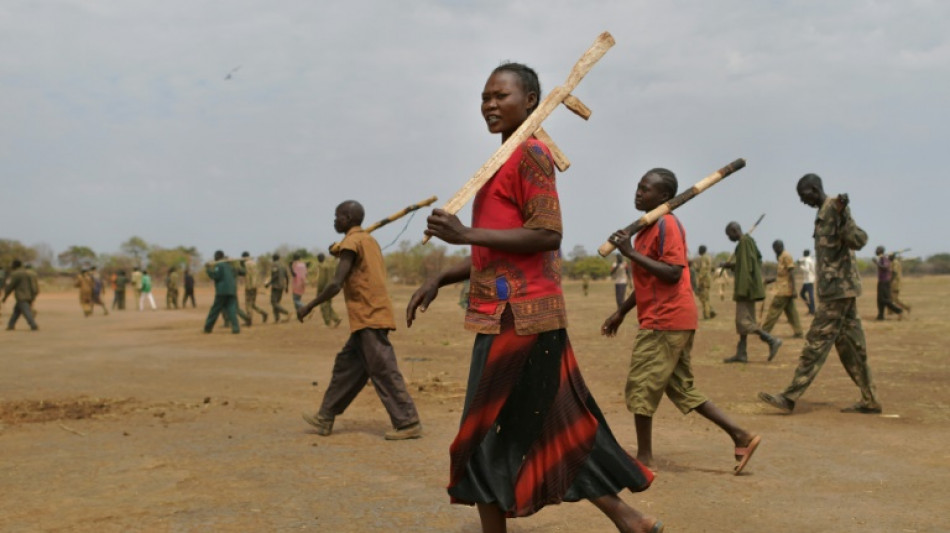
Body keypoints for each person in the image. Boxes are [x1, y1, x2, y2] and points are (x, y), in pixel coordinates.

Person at [406, 63, 661, 533]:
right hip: (505, 318)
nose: (489, 105)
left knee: (482, 436)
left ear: (530, 102)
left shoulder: (530, 156)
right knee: (548, 429)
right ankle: (630, 520)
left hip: (523, 323)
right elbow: (495, 247)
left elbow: (547, 234)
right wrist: (442, 277)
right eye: (484, 97)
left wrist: (463, 234)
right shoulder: (499, 162)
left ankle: (627, 519)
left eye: (500, 96)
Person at [602, 168, 761, 474]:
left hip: (666, 320)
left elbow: (673, 272)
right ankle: (741, 436)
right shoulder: (646, 228)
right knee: (680, 388)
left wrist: (630, 253)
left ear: (663, 197)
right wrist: (621, 312)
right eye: (637, 186)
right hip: (667, 318)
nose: (638, 192)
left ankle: (644, 458)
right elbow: (649, 279)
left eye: (645, 189)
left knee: (641, 385)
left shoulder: (667, 224)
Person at [299, 200, 422, 442]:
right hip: (367, 316)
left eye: (337, 216)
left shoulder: (353, 242)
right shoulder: (366, 240)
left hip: (369, 317)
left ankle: (408, 422)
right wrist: (340, 249)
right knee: (347, 367)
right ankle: (325, 417)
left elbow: (336, 284)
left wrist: (310, 306)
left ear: (347, 217)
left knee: (384, 370)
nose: (334, 221)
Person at [759, 174, 881, 414]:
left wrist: (845, 213)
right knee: (852, 348)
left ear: (814, 189)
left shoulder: (835, 209)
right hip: (836, 291)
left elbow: (858, 240)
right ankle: (870, 400)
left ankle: (790, 396)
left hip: (838, 291)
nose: (802, 202)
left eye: (804, 196)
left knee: (815, 344)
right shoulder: (822, 212)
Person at [720, 222, 782, 363]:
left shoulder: (744, 243)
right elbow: (746, 263)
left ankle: (772, 340)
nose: (729, 238)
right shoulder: (747, 242)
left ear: (734, 230)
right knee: (743, 322)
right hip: (747, 288)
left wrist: (743, 289)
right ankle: (741, 353)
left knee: (744, 321)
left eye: (729, 235)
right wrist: (730, 265)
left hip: (746, 289)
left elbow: (748, 268)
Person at [760, 240, 803, 338]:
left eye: (774, 249)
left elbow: (791, 273)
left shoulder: (786, 256)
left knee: (773, 310)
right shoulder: (781, 257)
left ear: (778, 247)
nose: (774, 251)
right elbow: (782, 274)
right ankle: (799, 332)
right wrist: (770, 280)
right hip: (784, 289)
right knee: (791, 313)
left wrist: (794, 289)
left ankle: (764, 331)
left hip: (784, 290)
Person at [203, 251, 246, 333]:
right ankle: (236, 328)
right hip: (232, 291)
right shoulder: (230, 266)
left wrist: (208, 269)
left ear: (216, 257)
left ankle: (207, 328)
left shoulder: (219, 265)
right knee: (232, 309)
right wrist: (242, 263)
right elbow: (242, 272)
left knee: (215, 310)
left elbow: (215, 276)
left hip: (222, 291)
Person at [3, 260, 39, 331]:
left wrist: (5, 297)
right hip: (28, 295)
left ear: (14, 266)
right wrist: (33, 296)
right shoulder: (26, 273)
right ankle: (11, 325)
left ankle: (33, 325)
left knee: (26, 311)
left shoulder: (15, 274)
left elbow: (10, 286)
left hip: (21, 296)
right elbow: (33, 285)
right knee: (16, 311)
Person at [872, 246, 903, 320]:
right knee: (879, 300)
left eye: (877, 250)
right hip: (881, 281)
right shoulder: (881, 258)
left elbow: (885, 267)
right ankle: (880, 316)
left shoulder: (884, 258)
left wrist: (876, 263)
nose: (875, 251)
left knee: (884, 299)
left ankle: (898, 310)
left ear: (881, 251)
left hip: (885, 281)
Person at [314, 253, 341, 327]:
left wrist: (319, 291)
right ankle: (336, 318)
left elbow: (321, 281)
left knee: (323, 306)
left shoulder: (322, 267)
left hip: (324, 289)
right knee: (328, 305)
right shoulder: (331, 266)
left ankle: (327, 322)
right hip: (331, 287)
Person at [241, 252, 269, 323]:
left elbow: (243, 272)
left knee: (248, 304)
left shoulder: (245, 264)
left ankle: (249, 319)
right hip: (255, 285)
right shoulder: (254, 263)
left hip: (249, 285)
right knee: (252, 304)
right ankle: (264, 313)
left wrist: (241, 263)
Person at [265, 253, 291, 323]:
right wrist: (287, 286)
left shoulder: (274, 265)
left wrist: (268, 283)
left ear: (273, 258)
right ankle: (277, 319)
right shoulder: (283, 265)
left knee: (273, 302)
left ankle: (286, 312)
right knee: (277, 303)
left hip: (276, 286)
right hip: (282, 286)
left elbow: (275, 276)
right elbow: (287, 277)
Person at [694, 245, 716, 319]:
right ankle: (710, 311)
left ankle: (707, 315)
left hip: (704, 281)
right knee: (706, 297)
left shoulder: (704, 258)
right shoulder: (708, 257)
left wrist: (699, 278)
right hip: (708, 280)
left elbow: (703, 269)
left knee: (704, 298)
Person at [798, 249, 816, 315]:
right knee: (804, 294)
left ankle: (812, 310)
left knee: (809, 295)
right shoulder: (810, 259)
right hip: (809, 280)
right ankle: (811, 309)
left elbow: (807, 270)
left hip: (808, 280)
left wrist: (801, 266)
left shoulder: (807, 261)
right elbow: (802, 259)